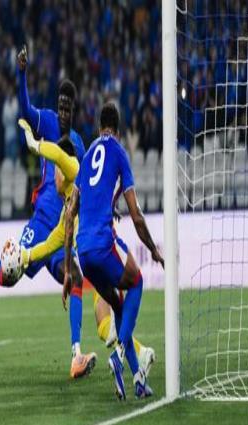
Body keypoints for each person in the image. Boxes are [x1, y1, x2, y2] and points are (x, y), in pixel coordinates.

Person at [0, 45, 96, 379]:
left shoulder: (79, 143)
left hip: (60, 231)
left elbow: (86, 185)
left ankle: (76, 355)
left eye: (67, 108)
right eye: (60, 106)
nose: (62, 112)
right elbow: (24, 108)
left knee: (76, 277)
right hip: (41, 221)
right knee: (11, 274)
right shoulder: (46, 121)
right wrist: (21, 73)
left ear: (74, 110)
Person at [17, 118, 155, 376]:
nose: (54, 177)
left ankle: (136, 356)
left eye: (55, 171)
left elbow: (58, 154)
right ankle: (137, 357)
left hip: (104, 251)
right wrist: (24, 254)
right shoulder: (68, 207)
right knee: (104, 325)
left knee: (114, 313)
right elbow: (52, 242)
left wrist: (34, 144)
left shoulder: (73, 169)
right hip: (95, 256)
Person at [64, 103, 164, 400]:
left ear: (99, 128)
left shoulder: (86, 158)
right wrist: (153, 249)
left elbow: (69, 215)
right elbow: (136, 215)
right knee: (137, 281)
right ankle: (119, 355)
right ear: (117, 130)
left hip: (84, 254)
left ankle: (137, 379)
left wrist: (69, 269)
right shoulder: (119, 153)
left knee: (119, 308)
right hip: (103, 244)